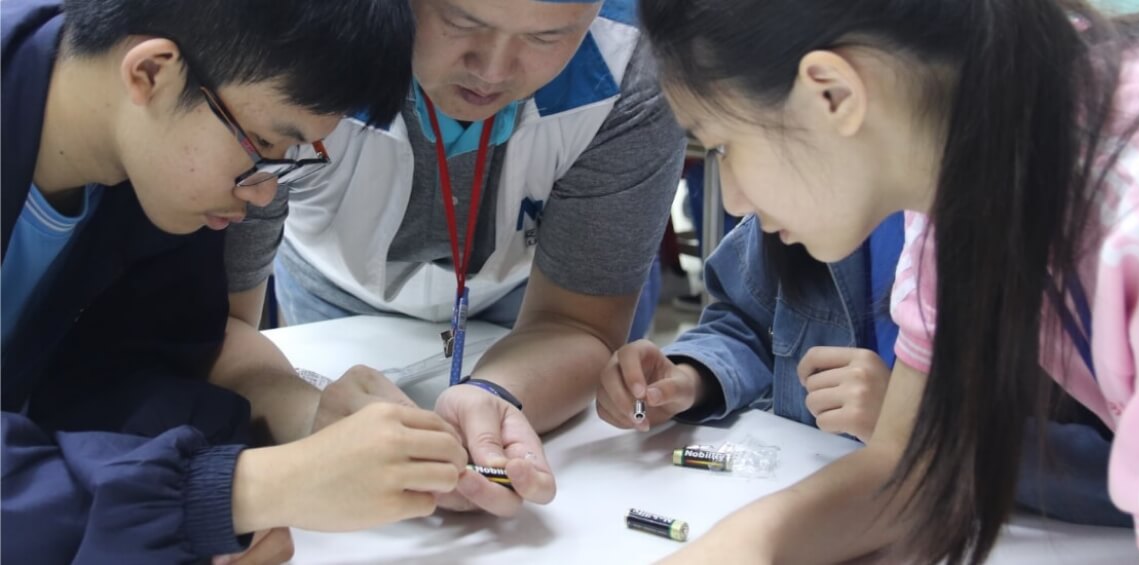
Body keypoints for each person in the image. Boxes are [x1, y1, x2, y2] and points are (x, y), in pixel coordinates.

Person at [633, 0, 1139, 563]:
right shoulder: (952, 183)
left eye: (722, 145)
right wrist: (744, 545)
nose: (734, 200)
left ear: (832, 94)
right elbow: (907, 464)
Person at [1, 1, 468, 562]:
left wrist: (306, 420)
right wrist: (238, 492)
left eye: (290, 157)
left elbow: (137, 369)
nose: (264, 192)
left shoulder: (151, 177)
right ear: (150, 72)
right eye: (263, 146)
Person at [222, 0, 685, 517]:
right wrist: (310, 414)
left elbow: (580, 324)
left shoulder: (634, 65)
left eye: (546, 37)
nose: (492, 70)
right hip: (332, 288)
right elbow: (211, 331)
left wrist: (494, 398)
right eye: (461, 23)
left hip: (527, 303)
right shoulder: (285, 36)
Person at [599, 214, 1132, 527]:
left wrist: (918, 426)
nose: (735, 200)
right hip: (829, 517)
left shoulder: (1060, 243)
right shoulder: (791, 205)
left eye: (736, 146)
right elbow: (747, 317)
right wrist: (692, 376)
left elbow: (1128, 474)